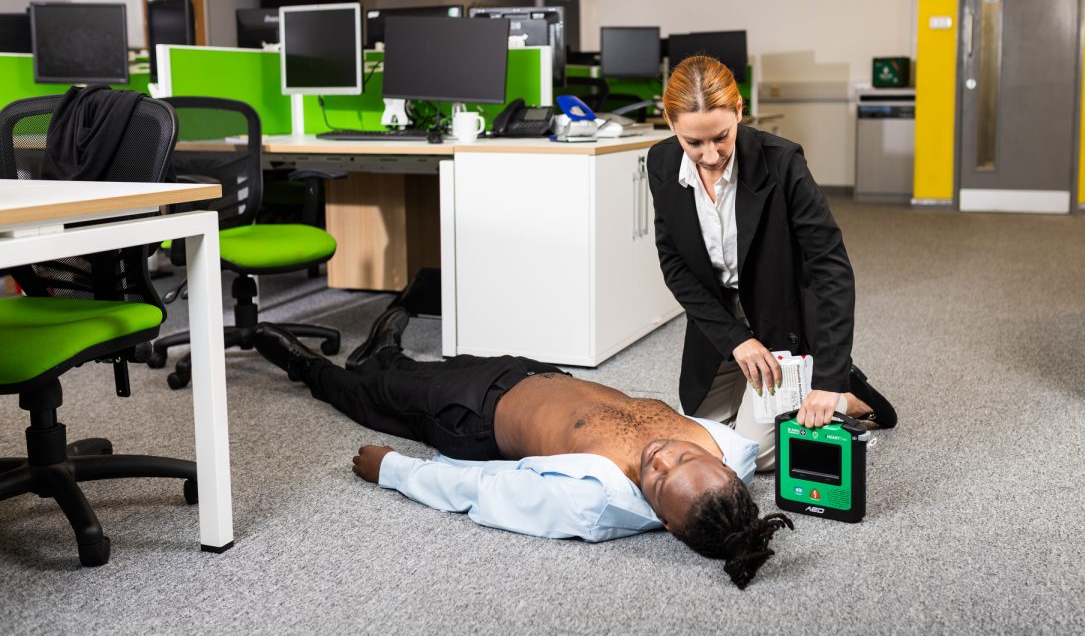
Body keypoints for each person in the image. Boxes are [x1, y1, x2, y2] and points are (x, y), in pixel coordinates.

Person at [252, 309, 794, 589]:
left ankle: (306, 367)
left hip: (474, 414)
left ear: (667, 525)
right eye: (683, 457)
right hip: (534, 374)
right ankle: (383, 353)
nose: (661, 455)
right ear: (721, 467)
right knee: (424, 371)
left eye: (658, 479)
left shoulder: (593, 502)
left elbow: (483, 491)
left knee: (373, 397)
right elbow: (768, 429)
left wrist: (393, 469)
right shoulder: (729, 453)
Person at [647, 56, 897, 473]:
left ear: (739, 111)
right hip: (720, 319)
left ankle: (848, 395)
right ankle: (762, 387)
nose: (710, 155)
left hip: (779, 314)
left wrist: (828, 381)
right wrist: (735, 339)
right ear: (671, 124)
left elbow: (831, 269)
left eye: (721, 137)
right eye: (694, 143)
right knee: (703, 433)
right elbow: (675, 265)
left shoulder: (782, 163)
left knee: (755, 453)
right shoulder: (661, 163)